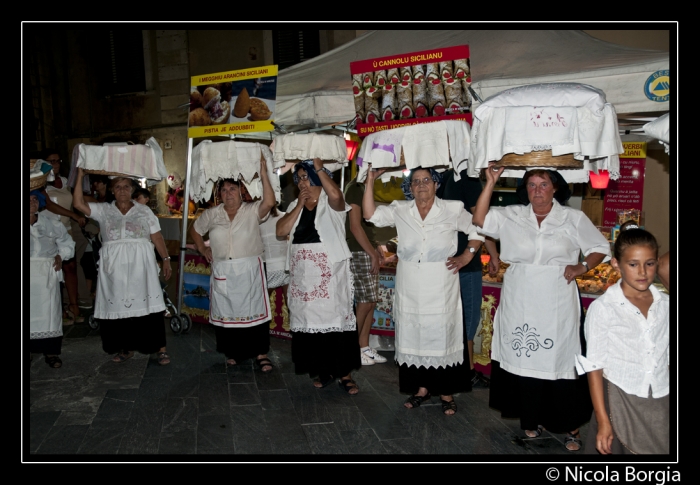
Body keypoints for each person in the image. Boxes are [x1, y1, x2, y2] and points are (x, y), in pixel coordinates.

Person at [472, 164, 611, 450]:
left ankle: (570, 426)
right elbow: (479, 219)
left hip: (556, 296)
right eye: (532, 185)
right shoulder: (512, 214)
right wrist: (490, 183)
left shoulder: (572, 217)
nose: (537, 191)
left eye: (543, 185)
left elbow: (600, 247)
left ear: (556, 188)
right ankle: (530, 420)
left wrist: (581, 265)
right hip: (520, 294)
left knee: (559, 360)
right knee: (524, 360)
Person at [362, 166, 485, 415]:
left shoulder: (452, 208)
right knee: (414, 334)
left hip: (441, 280)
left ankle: (446, 392)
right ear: (410, 187)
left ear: (436, 184)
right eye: (415, 181)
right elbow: (370, 215)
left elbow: (477, 228)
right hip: (410, 281)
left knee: (442, 335)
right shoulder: (400, 209)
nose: (420, 185)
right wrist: (370, 181)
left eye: (426, 180)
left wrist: (466, 256)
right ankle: (421, 389)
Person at [576, 226, 669, 454]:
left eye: (649, 263)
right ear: (616, 264)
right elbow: (595, 367)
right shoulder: (604, 308)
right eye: (633, 264)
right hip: (618, 398)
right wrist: (603, 421)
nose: (643, 272)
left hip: (660, 399)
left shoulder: (666, 305)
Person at [276, 159, 361, 394]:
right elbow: (280, 230)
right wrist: (298, 206)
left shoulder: (330, 202)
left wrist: (320, 169)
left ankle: (344, 375)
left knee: (335, 325)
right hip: (304, 276)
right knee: (311, 326)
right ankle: (324, 372)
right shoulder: (295, 203)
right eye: (299, 178)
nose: (302, 182)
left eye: (306, 176)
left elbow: (336, 195)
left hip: (330, 275)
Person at [73, 168, 173, 365]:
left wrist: (166, 258)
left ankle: (159, 349)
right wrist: (81, 176)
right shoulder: (104, 210)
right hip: (114, 266)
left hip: (141, 265)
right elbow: (77, 203)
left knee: (148, 306)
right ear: (112, 190)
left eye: (126, 186)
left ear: (132, 189)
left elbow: (156, 236)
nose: (122, 190)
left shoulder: (144, 210)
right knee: (118, 305)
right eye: (117, 187)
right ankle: (124, 348)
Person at [189, 156, 276, 372]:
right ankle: (234, 353)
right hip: (224, 270)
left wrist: (264, 174)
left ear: (240, 191)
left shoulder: (251, 210)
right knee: (228, 314)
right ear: (219, 194)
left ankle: (261, 354)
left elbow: (269, 203)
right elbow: (195, 229)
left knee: (254, 313)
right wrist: (203, 249)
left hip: (249, 270)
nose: (228, 193)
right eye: (224, 190)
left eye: (232, 189)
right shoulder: (212, 214)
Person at [439, 168, 490, 387]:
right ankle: (467, 371)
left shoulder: (447, 176)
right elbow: (481, 219)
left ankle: (457, 368)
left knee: (455, 318)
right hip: (465, 259)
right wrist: (479, 254)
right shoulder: (468, 177)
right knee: (468, 318)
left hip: (449, 257)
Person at [29, 190, 75, 368]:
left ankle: (51, 352)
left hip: (46, 275)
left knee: (49, 313)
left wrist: (60, 255)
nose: (32, 203)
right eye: (28, 199)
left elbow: (67, 243)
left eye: (35, 200)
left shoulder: (50, 223)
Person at [344, 176, 387, 366]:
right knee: (363, 302)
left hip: (365, 249)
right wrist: (371, 253)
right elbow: (354, 226)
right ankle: (351, 349)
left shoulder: (363, 187)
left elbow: (367, 226)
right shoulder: (355, 187)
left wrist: (375, 246)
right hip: (357, 250)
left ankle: (364, 347)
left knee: (370, 301)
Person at [41, 149, 87, 325]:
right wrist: (74, 215)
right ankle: (58, 310)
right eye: (51, 161)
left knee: (71, 267)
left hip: (65, 230)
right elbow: (49, 205)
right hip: (48, 232)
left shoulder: (66, 182)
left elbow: (77, 199)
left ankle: (74, 306)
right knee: (54, 271)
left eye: (57, 160)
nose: (55, 164)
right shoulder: (41, 184)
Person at [259, 204, 290, 317]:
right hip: (283, 265)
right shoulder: (285, 216)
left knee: (261, 308)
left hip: (272, 267)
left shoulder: (256, 220)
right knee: (291, 305)